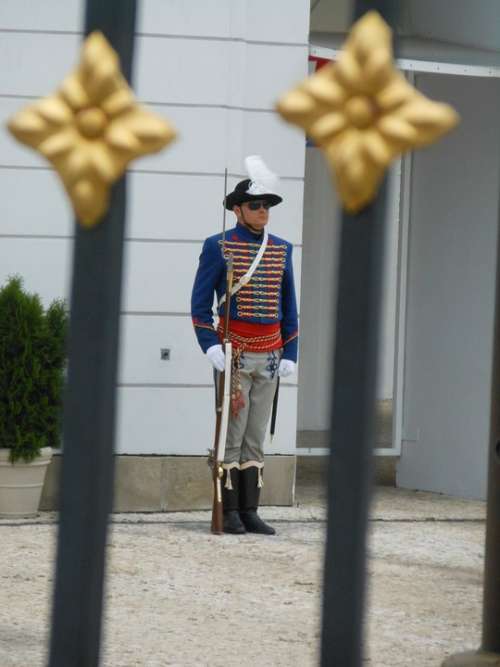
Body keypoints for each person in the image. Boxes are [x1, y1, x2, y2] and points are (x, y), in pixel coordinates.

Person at [191, 159, 298, 535]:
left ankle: (251, 510)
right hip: (234, 353)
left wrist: (291, 353)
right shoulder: (217, 246)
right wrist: (209, 345)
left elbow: (289, 306)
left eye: (266, 205)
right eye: (255, 205)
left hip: (270, 354)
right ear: (237, 209)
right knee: (231, 435)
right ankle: (230, 510)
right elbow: (200, 304)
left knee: (255, 435)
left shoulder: (281, 249)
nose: (262, 211)